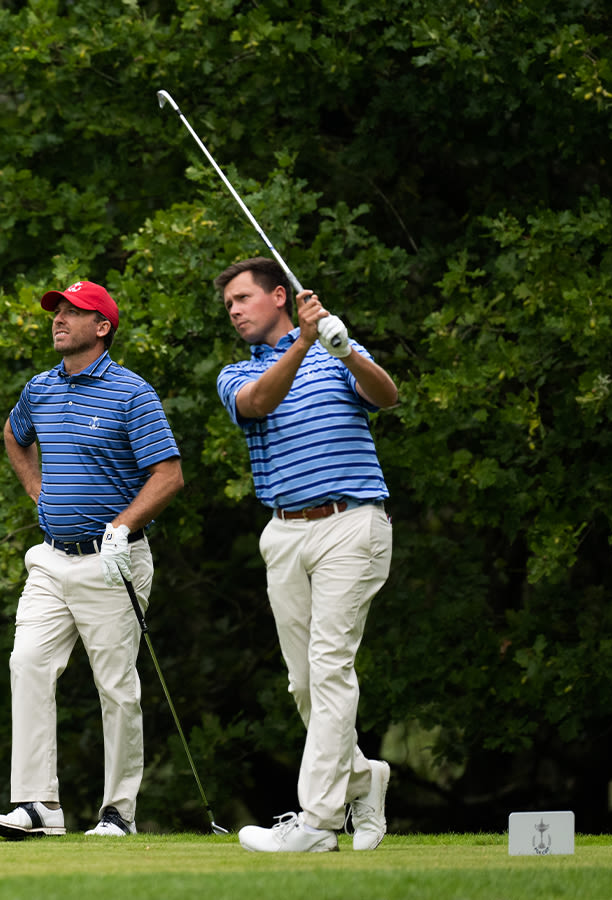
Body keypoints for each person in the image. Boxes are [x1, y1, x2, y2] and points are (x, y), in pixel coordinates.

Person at [0, 280, 184, 840]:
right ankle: (37, 804)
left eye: (75, 312)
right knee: (27, 664)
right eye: (57, 311)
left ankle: (118, 811)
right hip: (50, 560)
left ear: (103, 327)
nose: (59, 319)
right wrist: (37, 490)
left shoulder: (131, 393)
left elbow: (168, 474)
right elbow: (13, 434)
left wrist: (123, 525)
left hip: (112, 561)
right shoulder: (40, 389)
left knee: (115, 686)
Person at [214, 257, 397, 853]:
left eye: (243, 298)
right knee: (303, 684)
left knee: (329, 666)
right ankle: (364, 779)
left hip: (352, 522)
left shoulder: (334, 348)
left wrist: (346, 352)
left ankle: (318, 822)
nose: (235, 311)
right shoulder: (234, 375)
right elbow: (259, 403)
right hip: (285, 532)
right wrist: (308, 342)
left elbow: (386, 397)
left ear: (278, 297)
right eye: (229, 305)